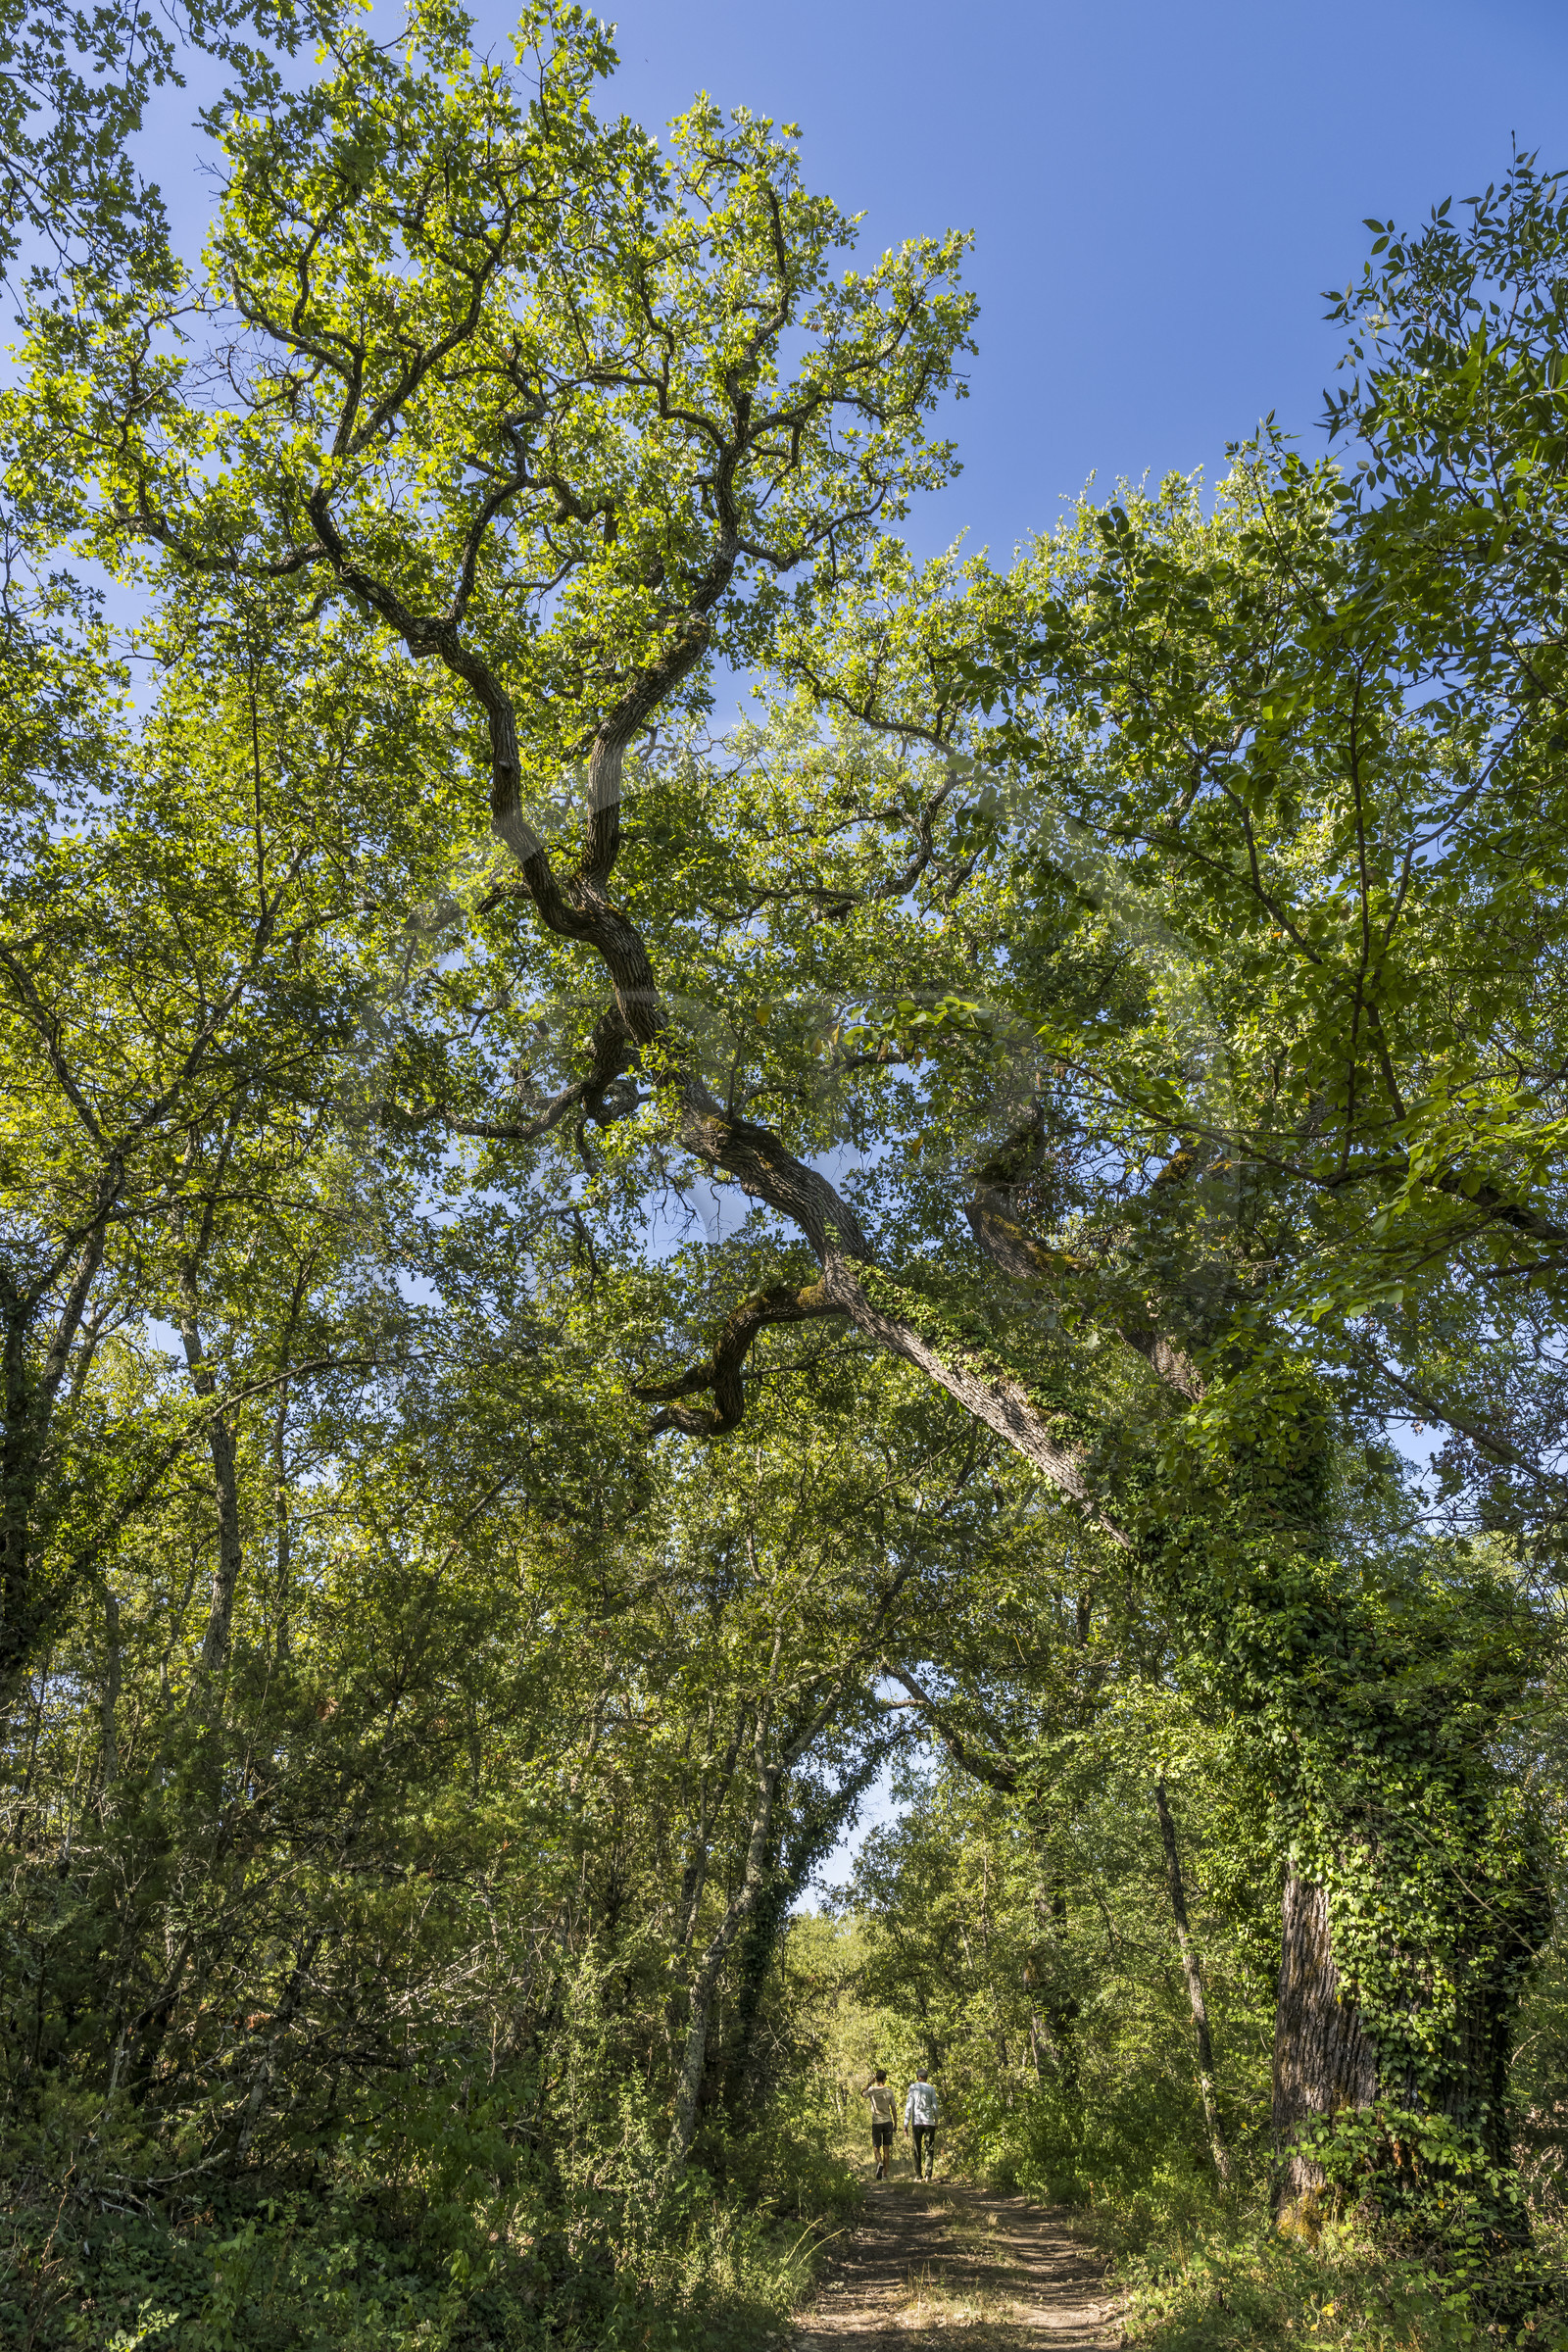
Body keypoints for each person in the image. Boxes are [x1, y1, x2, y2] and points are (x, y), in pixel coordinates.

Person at [904, 2066, 939, 2179]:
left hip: (917, 2122)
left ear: (918, 2077)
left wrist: (905, 2124)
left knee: (917, 2149)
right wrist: (936, 2121)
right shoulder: (931, 2089)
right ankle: (928, 2175)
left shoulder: (913, 2088)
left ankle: (918, 2175)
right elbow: (935, 2107)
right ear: (926, 2077)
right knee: (929, 2148)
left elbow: (909, 2106)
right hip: (929, 2122)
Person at [862, 2068, 897, 2179]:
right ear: (885, 2079)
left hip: (876, 2122)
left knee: (876, 2147)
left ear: (876, 2079)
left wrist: (869, 2083)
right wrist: (895, 2123)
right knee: (886, 2149)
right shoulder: (889, 2091)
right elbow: (893, 2109)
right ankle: (885, 2174)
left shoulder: (872, 2090)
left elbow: (862, 2093)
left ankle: (880, 2163)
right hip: (887, 2122)